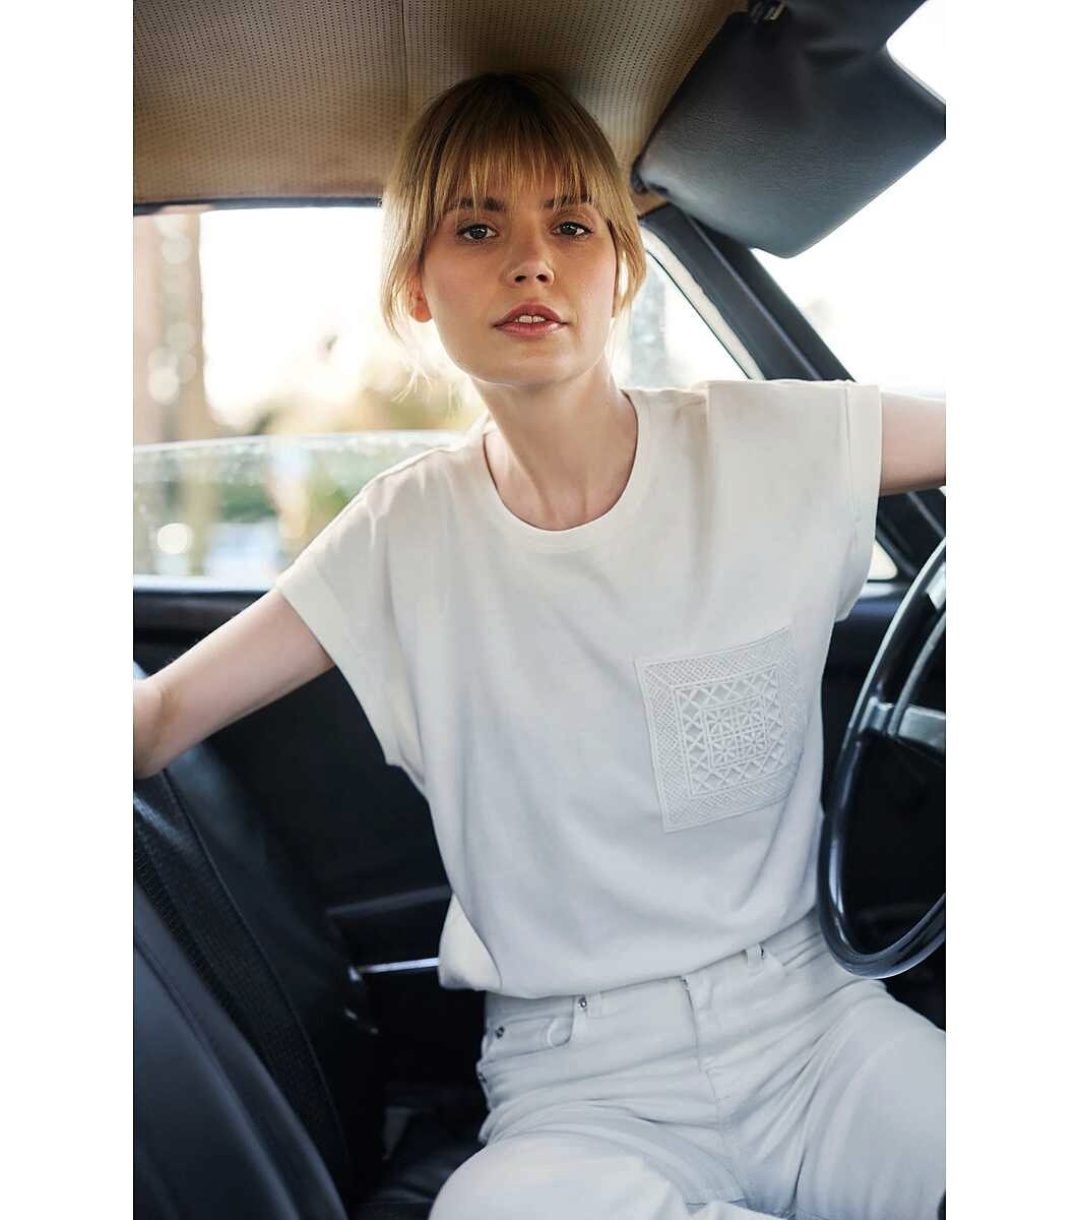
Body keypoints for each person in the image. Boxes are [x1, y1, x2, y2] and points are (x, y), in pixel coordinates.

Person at [134, 73, 946, 1220]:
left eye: (571, 225)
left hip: (817, 1028)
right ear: (417, 286)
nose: (532, 262)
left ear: (622, 269)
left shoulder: (771, 440)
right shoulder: (401, 534)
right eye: (478, 229)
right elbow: (158, 717)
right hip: (579, 1083)